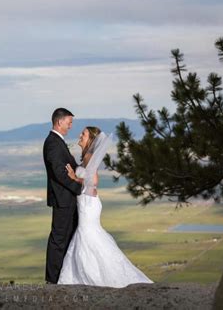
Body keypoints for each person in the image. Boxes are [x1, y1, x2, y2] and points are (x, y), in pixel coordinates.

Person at [57, 126, 154, 287]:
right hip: (87, 202)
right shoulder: (86, 156)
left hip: (88, 204)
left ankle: (95, 277)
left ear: (91, 140)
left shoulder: (88, 156)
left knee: (87, 234)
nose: (80, 135)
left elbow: (93, 181)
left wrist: (74, 178)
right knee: (90, 235)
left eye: (84, 134)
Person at [43, 108, 84, 284]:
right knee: (58, 240)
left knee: (67, 238)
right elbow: (60, 173)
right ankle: (52, 281)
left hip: (67, 199)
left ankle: (63, 278)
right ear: (59, 122)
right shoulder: (53, 143)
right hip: (63, 200)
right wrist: (78, 186)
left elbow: (72, 166)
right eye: (69, 122)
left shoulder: (58, 142)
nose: (71, 126)